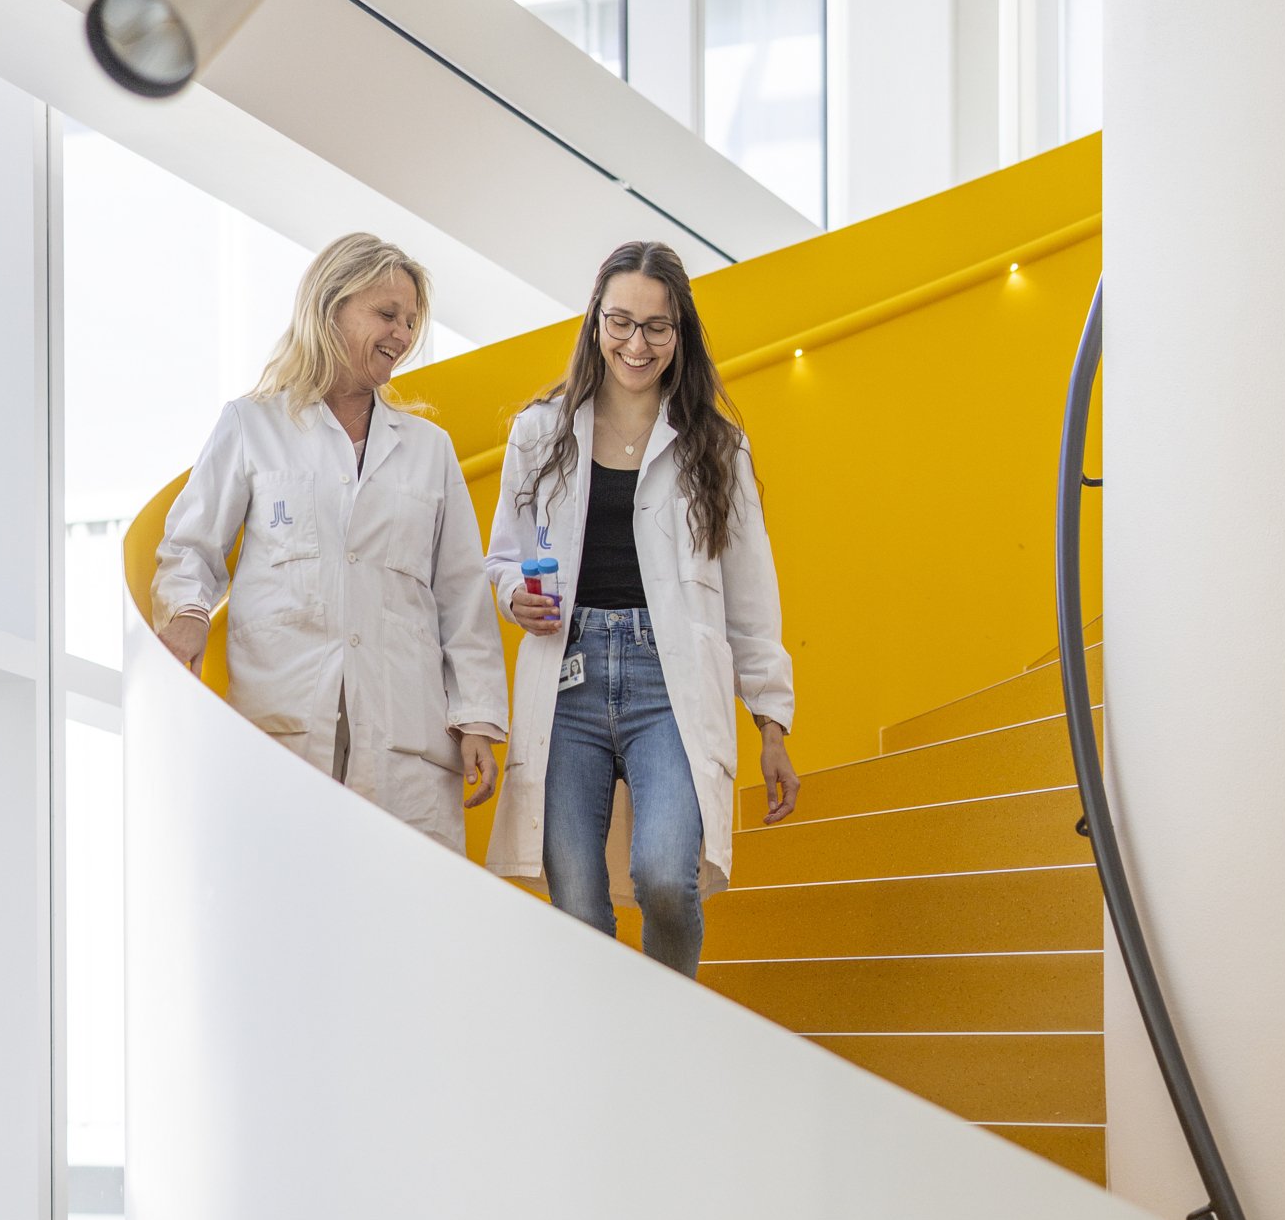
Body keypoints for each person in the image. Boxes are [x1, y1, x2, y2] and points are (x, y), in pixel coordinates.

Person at [484, 240, 799, 975]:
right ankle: (607, 1059)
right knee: (578, 903)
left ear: (679, 333)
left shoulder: (717, 447)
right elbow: (503, 556)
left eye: (657, 327)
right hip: (569, 680)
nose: (636, 343)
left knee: (664, 876)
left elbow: (752, 597)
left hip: (671, 681)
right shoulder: (541, 432)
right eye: (621, 321)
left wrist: (773, 723)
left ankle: (670, 1030)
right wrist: (513, 594)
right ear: (595, 322)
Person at [151, 232, 507, 853]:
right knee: (291, 905)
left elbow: (461, 596)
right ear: (330, 307)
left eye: (411, 321)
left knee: (402, 912)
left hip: (405, 731)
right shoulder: (252, 425)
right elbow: (191, 546)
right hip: (286, 717)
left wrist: (476, 714)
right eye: (386, 315)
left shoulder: (429, 450)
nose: (401, 335)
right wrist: (186, 612)